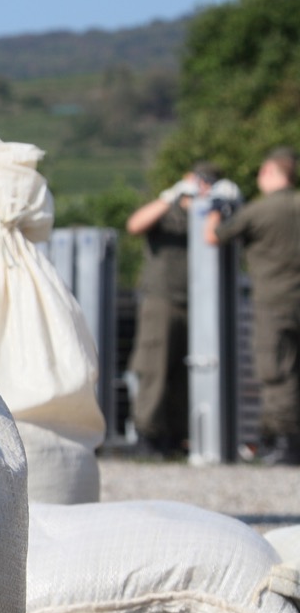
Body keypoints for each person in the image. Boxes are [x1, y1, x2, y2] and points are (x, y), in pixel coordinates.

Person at [205, 147, 300, 465]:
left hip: (275, 302)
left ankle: (283, 442)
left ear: (272, 173)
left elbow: (213, 236)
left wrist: (215, 207)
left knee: (276, 372)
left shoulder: (261, 211)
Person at [125, 163, 220, 455]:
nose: (200, 187)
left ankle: (177, 436)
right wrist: (171, 198)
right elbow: (134, 225)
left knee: (187, 373)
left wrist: (213, 205)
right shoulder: (167, 211)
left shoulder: (209, 214)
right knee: (155, 367)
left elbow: (215, 235)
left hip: (199, 303)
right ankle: (148, 434)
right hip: (162, 299)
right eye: (197, 181)